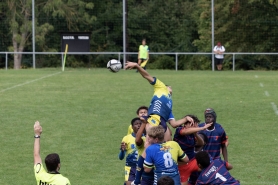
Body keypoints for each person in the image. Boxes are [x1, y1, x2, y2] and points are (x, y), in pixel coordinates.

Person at [125, 61, 194, 141]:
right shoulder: (161, 87)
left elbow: (174, 124)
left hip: (163, 123)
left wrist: (186, 118)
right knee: (149, 143)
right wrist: (137, 66)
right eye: (168, 86)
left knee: (168, 145)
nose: (170, 87)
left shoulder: (169, 103)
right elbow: (147, 76)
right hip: (154, 118)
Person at [173, 115, 212, 185]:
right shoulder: (179, 130)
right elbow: (185, 132)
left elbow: (201, 143)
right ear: (185, 124)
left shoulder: (192, 134)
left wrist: (196, 134)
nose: (195, 127)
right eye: (193, 125)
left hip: (194, 162)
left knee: (210, 169)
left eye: (196, 126)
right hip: (182, 166)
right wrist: (202, 128)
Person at [119, 118, 142, 185]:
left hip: (141, 167)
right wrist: (122, 151)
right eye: (136, 124)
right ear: (132, 127)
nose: (138, 125)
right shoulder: (126, 138)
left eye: (140, 124)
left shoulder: (146, 138)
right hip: (130, 167)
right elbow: (120, 157)